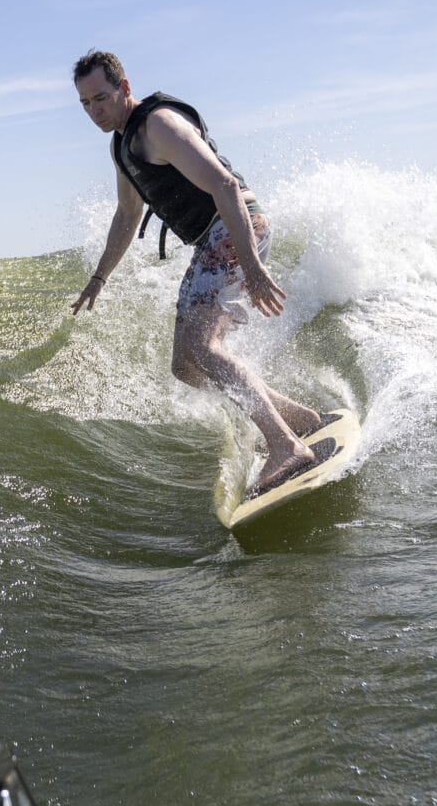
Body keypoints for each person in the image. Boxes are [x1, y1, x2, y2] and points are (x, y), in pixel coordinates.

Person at [67, 50, 332, 496]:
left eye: (102, 98)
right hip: (212, 239)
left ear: (124, 88)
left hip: (233, 225)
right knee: (185, 365)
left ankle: (286, 446)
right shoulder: (121, 145)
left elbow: (226, 185)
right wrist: (99, 278)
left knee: (202, 344)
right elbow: (127, 214)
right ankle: (297, 418)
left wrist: (251, 265)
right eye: (86, 104)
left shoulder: (159, 126)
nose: (95, 111)